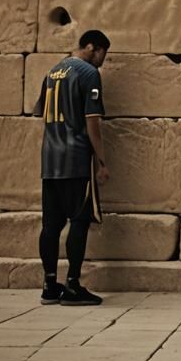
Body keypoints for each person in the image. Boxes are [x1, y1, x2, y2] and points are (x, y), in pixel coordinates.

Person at [31, 29, 111, 306]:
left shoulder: (52, 72)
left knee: (50, 224)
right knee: (79, 219)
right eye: (102, 54)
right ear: (92, 47)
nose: (102, 61)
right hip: (75, 159)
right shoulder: (89, 74)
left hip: (50, 160)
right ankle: (73, 285)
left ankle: (49, 285)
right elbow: (92, 122)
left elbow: (41, 112)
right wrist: (101, 161)